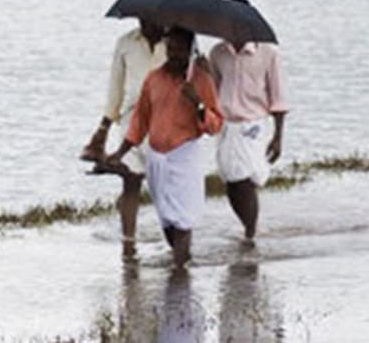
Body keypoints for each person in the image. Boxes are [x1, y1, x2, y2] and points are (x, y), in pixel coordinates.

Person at [106, 26, 223, 267]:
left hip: (184, 156)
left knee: (183, 219)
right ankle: (182, 260)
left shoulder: (200, 79)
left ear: (190, 50)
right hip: (156, 157)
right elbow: (139, 121)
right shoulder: (154, 78)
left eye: (181, 49)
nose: (175, 54)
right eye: (171, 48)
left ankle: (179, 268)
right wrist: (119, 153)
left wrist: (198, 103)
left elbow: (215, 125)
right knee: (168, 220)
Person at [80, 17, 167, 257]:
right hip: (132, 118)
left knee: (163, 184)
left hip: (165, 119)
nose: (145, 20)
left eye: (150, 14)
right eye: (141, 15)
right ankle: (128, 241)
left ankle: (174, 236)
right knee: (131, 179)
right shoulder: (126, 43)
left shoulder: (176, 42)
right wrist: (104, 126)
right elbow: (115, 87)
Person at [208, 23, 288, 245]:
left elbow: (278, 96)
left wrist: (278, 136)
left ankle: (250, 233)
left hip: (252, 122)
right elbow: (214, 90)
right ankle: (249, 228)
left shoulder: (268, 52)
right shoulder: (217, 53)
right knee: (230, 180)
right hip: (226, 124)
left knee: (242, 178)